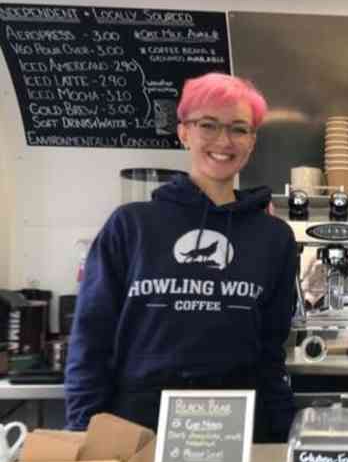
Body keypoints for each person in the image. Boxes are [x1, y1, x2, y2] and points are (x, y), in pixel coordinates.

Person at [65, 73, 297, 442]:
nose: (224, 140)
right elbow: (91, 339)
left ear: (252, 142)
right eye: (208, 125)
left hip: (237, 425)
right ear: (184, 132)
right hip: (137, 425)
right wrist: (82, 429)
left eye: (239, 129)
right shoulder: (131, 225)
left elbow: (271, 351)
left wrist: (284, 436)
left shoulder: (274, 238)